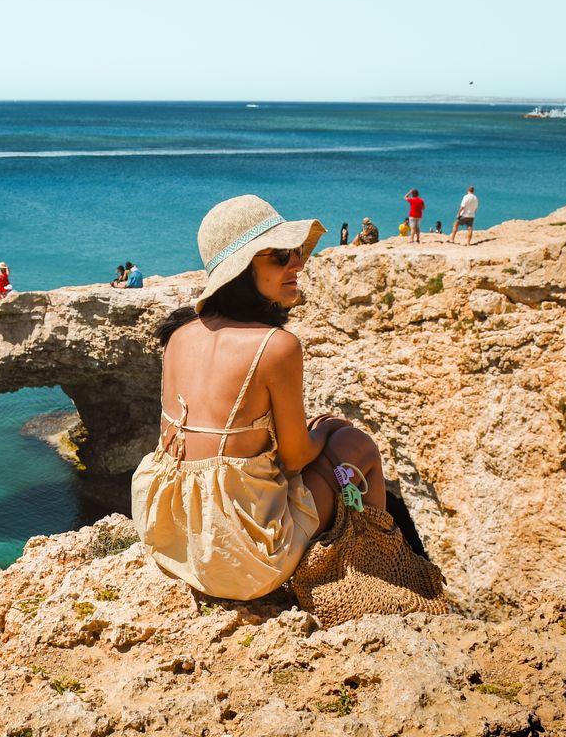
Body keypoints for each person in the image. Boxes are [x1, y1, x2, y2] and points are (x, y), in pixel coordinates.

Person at [130, 194, 386, 601]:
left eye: (295, 253)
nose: (297, 264)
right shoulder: (276, 346)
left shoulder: (179, 333)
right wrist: (325, 430)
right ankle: (372, 574)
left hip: (171, 541)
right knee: (357, 446)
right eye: (280, 257)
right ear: (242, 270)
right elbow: (296, 458)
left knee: (324, 439)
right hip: (243, 562)